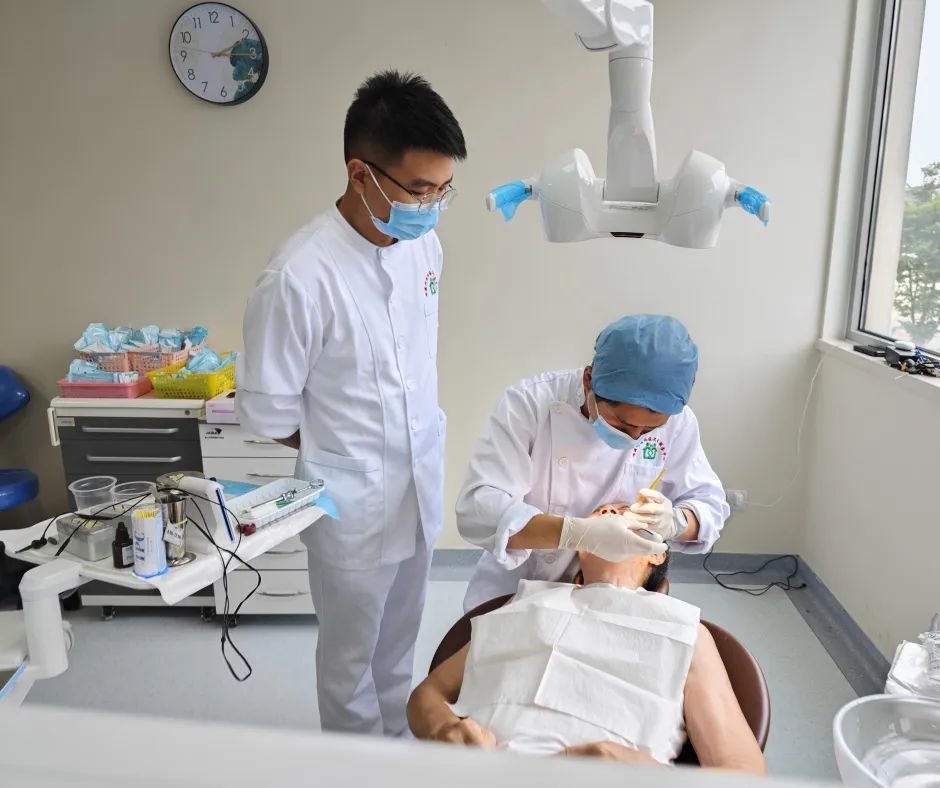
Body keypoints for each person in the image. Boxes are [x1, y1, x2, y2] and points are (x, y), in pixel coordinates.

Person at [237, 70, 466, 736]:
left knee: (399, 648)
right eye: (419, 189)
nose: (431, 205)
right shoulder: (297, 277)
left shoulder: (424, 245)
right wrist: (343, 451)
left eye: (443, 189)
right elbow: (269, 412)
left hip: (417, 488)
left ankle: (396, 751)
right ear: (360, 174)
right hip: (352, 502)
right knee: (349, 663)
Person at [407, 503, 766, 773]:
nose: (609, 514)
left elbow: (741, 771)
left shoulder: (683, 629)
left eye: (624, 512)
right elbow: (427, 694)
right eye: (601, 513)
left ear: (658, 552)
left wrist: (638, 769)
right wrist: (443, 728)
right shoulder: (526, 601)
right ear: (580, 545)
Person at [456, 314, 730, 611]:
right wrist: (575, 533)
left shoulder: (680, 423)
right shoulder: (529, 403)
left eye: (649, 431)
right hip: (515, 589)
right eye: (622, 424)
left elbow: (709, 506)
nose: (635, 438)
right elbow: (479, 508)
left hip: (613, 601)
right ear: (589, 381)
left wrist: (676, 522)